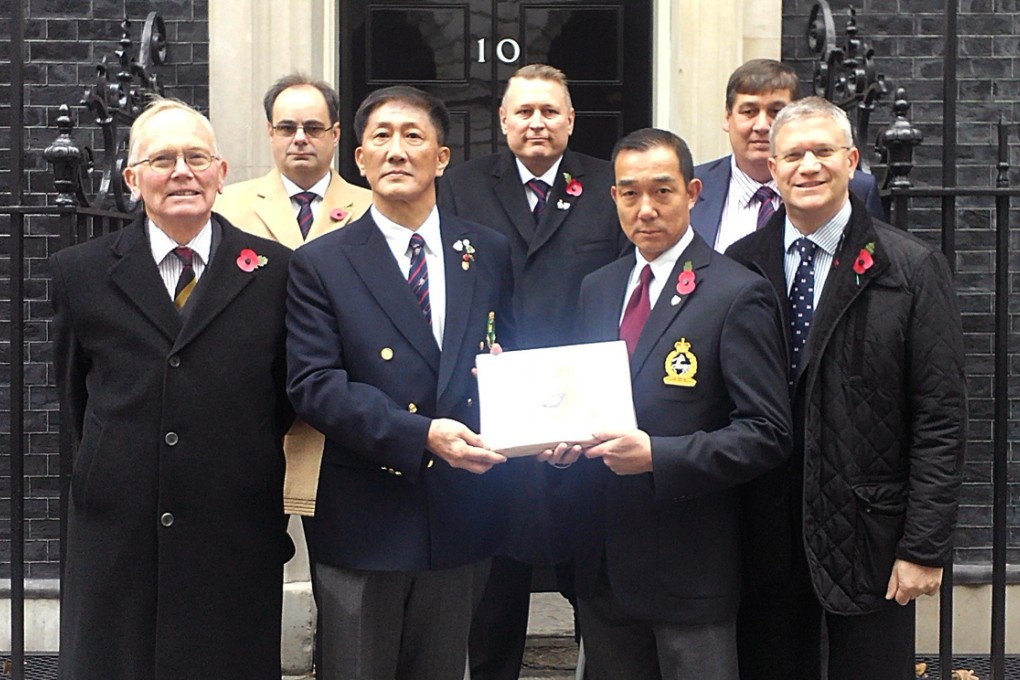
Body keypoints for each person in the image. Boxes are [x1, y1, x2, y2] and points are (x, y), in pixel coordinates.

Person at [50, 98, 294, 680]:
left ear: (221, 172)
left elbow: (284, 396)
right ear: (132, 179)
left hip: (232, 528)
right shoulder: (78, 273)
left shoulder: (275, 271)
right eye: (162, 159)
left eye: (196, 157)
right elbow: (73, 398)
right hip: (118, 532)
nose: (182, 171)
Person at [725, 96, 965, 680]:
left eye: (822, 151)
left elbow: (940, 416)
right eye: (792, 155)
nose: (807, 166)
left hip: (869, 538)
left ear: (852, 160)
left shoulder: (909, 268)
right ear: (772, 169)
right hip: (764, 539)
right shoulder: (738, 264)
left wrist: (924, 546)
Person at [541, 128, 791, 680]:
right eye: (630, 193)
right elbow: (585, 403)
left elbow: (767, 431)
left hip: (690, 571)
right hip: (604, 564)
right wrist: (558, 442)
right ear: (613, 198)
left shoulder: (735, 292)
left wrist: (659, 455)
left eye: (662, 191)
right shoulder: (598, 289)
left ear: (693, 192)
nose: (646, 209)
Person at [286, 85, 516, 680]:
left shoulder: (486, 252)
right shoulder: (322, 262)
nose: (395, 150)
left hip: (461, 510)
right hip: (365, 515)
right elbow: (314, 383)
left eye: (412, 136)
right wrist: (420, 435)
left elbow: (508, 357)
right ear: (358, 160)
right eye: (380, 138)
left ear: (442, 157)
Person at [437, 63, 628, 680]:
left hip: (589, 417)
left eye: (550, 111)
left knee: (595, 587)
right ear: (503, 121)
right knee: (494, 591)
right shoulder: (461, 186)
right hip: (493, 415)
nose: (537, 122)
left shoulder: (610, 185)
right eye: (524, 111)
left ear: (571, 120)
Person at [216, 72, 372, 517]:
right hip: (253, 410)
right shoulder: (227, 206)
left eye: (313, 128)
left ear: (336, 134)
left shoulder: (372, 208)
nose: (300, 139)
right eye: (287, 128)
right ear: (270, 133)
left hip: (339, 413)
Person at [692, 58, 885, 253]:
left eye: (775, 112)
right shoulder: (691, 188)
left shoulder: (858, 190)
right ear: (727, 118)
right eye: (749, 112)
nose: (762, 126)